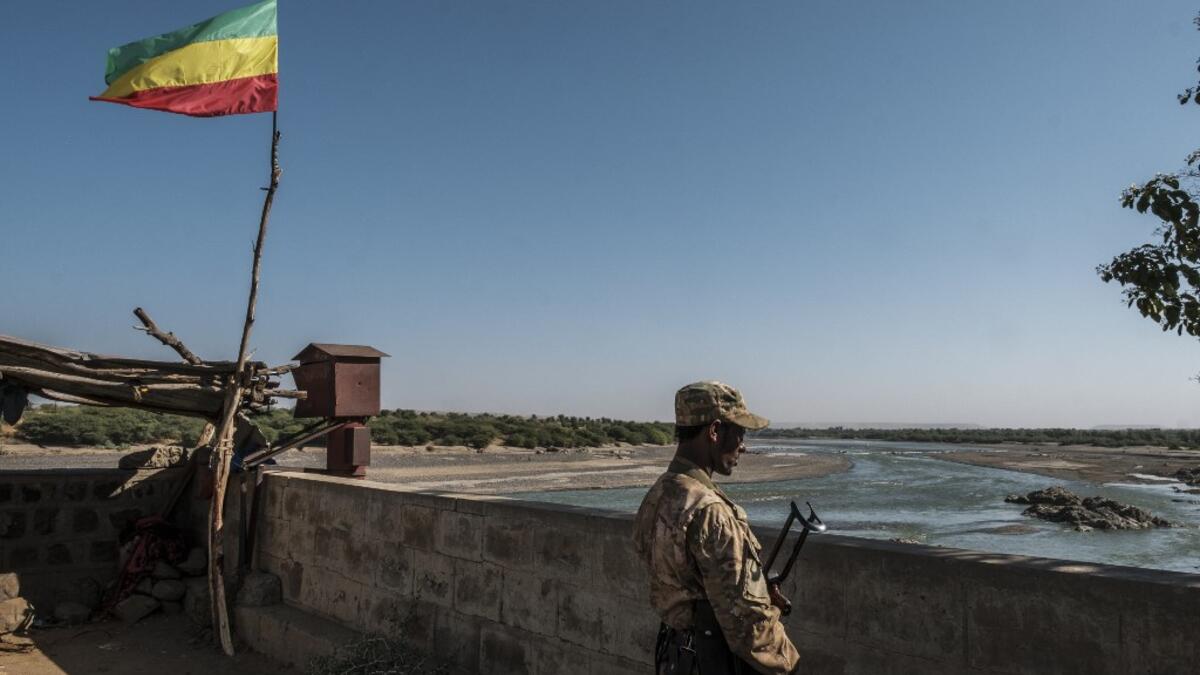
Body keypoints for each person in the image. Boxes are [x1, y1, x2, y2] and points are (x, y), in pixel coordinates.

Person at [633, 381, 800, 675]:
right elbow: (747, 628)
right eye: (740, 433)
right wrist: (787, 662)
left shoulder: (659, 494)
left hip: (676, 657)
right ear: (714, 431)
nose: (743, 445)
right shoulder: (711, 512)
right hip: (714, 662)